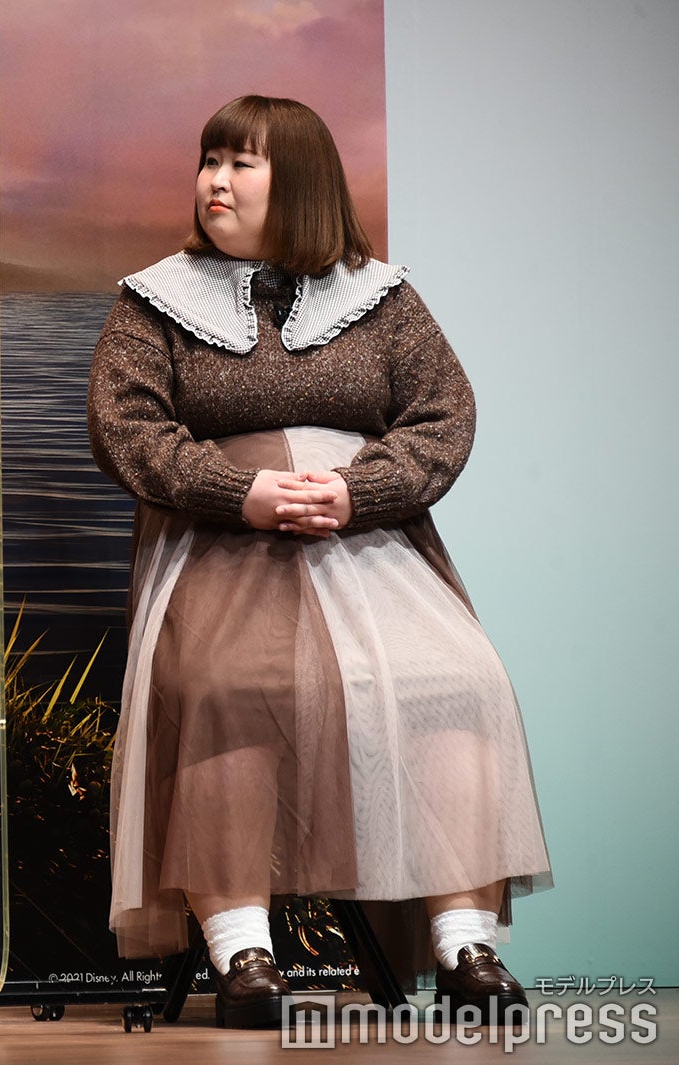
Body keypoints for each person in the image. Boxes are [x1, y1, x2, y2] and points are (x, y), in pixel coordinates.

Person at [88, 95, 550, 1028]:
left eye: (240, 163)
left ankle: (466, 943)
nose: (215, 181)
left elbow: (442, 416)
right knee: (225, 686)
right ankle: (241, 947)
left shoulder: (381, 298)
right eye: (209, 160)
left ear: (299, 182)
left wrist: (356, 490)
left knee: (462, 679)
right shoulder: (156, 300)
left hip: (367, 547)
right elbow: (125, 427)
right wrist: (238, 491)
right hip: (220, 547)